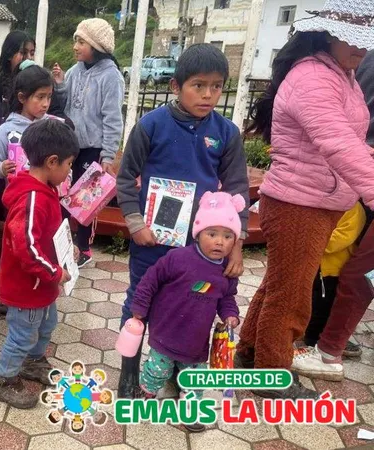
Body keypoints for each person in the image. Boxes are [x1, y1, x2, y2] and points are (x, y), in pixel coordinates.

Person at [240, 2, 374, 397]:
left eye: (367, 44)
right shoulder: (314, 77)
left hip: (316, 200)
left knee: (279, 284)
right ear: (329, 33)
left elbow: (352, 144)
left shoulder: (340, 73)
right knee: (293, 295)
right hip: (301, 204)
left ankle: (250, 351)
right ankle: (271, 373)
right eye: (355, 41)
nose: (361, 50)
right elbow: (338, 144)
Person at [115, 43, 249, 399]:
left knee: (191, 305)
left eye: (217, 86)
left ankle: (176, 374)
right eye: (198, 85)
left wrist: (237, 243)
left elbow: (237, 188)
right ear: (176, 86)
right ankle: (129, 374)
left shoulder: (226, 133)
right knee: (139, 302)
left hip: (200, 247)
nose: (208, 95)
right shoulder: (150, 125)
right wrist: (135, 224)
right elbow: (126, 177)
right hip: (152, 241)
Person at [131, 191, 243, 433]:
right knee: (156, 371)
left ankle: (189, 411)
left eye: (227, 236)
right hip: (166, 333)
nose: (220, 242)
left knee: (195, 381)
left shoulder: (226, 272)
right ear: (198, 233)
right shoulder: (177, 258)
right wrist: (139, 308)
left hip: (196, 342)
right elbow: (150, 280)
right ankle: (145, 394)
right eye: (212, 234)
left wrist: (230, 315)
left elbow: (226, 298)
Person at [0, 119, 78, 409]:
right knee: (22, 334)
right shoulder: (32, 198)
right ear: (52, 162)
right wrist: (54, 272)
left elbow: (48, 233)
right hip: (28, 286)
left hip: (43, 284)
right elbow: (26, 247)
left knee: (47, 324)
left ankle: (33, 362)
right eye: (68, 165)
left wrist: (66, 250)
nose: (69, 171)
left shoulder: (47, 188)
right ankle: (4, 378)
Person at [52, 18, 125, 267]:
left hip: (93, 148)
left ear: (96, 45)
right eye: (75, 40)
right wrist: (60, 84)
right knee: (63, 195)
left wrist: (107, 155)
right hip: (70, 146)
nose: (75, 46)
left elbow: (113, 118)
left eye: (81, 41)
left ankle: (83, 248)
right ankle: (61, 244)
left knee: (86, 201)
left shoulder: (110, 77)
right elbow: (63, 103)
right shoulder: (74, 71)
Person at [0, 63, 56, 222]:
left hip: (46, 204)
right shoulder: (6, 130)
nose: (46, 103)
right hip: (16, 206)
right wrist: (1, 167)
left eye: (49, 96)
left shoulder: (52, 128)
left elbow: (62, 160)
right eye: (40, 96)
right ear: (22, 97)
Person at [302, 202, 366, 356]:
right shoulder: (319, 202)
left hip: (334, 269)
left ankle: (318, 340)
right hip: (315, 265)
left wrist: (314, 243)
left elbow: (343, 237)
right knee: (313, 301)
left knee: (327, 305)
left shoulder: (354, 209)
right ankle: (310, 335)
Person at [0, 30, 36, 126]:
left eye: (32, 53)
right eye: (23, 53)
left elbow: (55, 111)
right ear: (9, 55)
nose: (29, 57)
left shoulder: (40, 81)